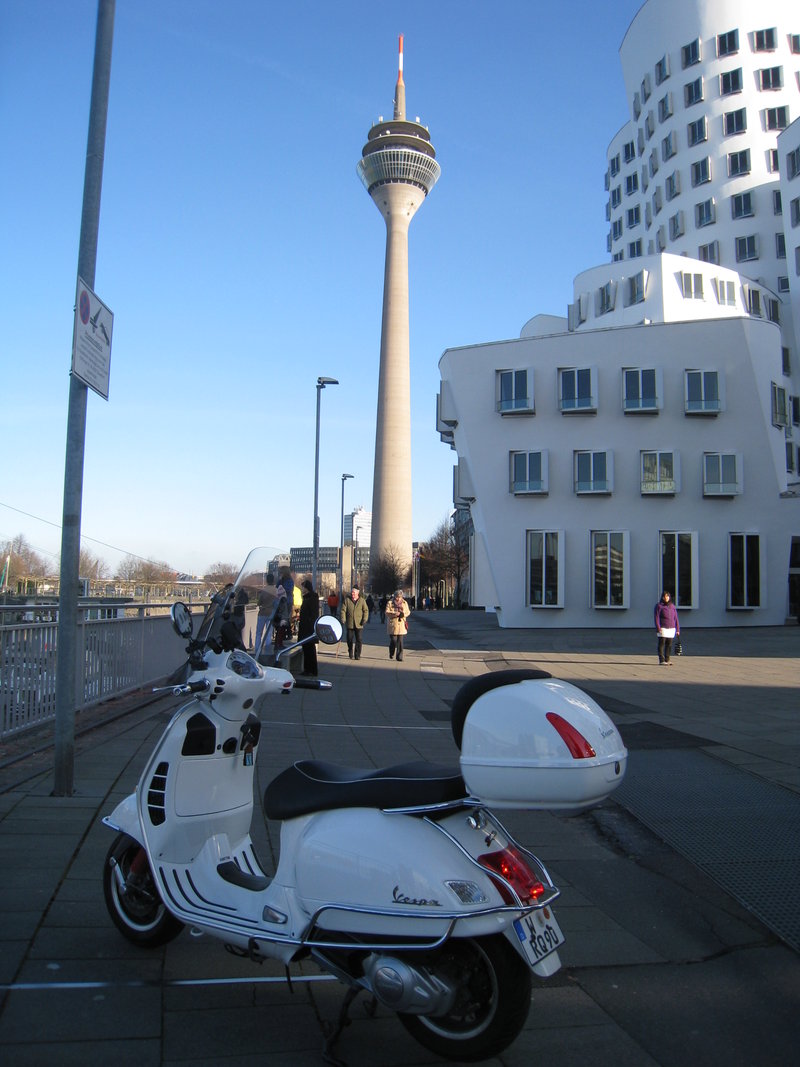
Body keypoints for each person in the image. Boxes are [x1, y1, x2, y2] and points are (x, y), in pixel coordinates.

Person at [255, 572, 284, 656]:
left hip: (262, 613)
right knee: (268, 633)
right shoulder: (276, 591)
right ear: (273, 580)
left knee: (259, 633)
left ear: (267, 580)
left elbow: (259, 603)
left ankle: (257, 650)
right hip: (271, 613)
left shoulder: (264, 590)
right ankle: (267, 651)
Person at [298, 579, 320, 676]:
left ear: (306, 588)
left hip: (308, 628)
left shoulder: (311, 598)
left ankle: (311, 670)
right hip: (305, 627)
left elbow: (313, 614)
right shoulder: (307, 598)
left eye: (303, 587)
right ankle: (307, 669)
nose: (302, 589)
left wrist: (310, 624)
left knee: (309, 649)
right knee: (306, 648)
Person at [340, 586, 368, 659]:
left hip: (359, 623)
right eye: (352, 592)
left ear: (357, 593)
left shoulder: (362, 601)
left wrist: (364, 619)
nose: (352, 594)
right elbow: (343, 610)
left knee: (359, 639)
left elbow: (365, 611)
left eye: (354, 592)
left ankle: (357, 654)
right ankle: (350, 650)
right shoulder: (347, 600)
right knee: (349, 638)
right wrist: (343, 618)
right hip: (350, 623)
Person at [654, 589, 680, 665]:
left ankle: (667, 659)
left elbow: (676, 618)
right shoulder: (659, 606)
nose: (666, 598)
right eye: (665, 596)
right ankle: (661, 660)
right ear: (662, 597)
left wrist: (677, 629)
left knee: (669, 644)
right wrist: (658, 628)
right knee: (662, 644)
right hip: (663, 628)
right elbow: (656, 618)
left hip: (671, 628)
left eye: (668, 596)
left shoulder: (672, 606)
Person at [385, 589, 411, 661]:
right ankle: (391, 651)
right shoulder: (390, 602)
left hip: (401, 624)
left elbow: (408, 612)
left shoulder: (404, 603)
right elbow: (387, 612)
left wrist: (403, 614)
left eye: (399, 597)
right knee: (393, 640)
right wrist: (394, 613)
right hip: (393, 624)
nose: (398, 598)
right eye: (397, 597)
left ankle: (399, 656)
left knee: (400, 641)